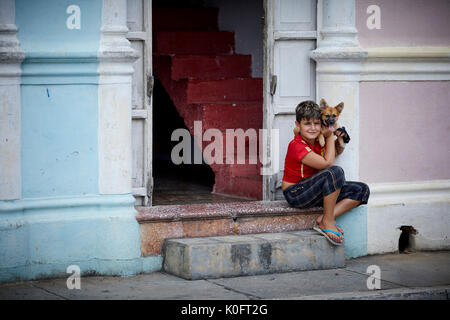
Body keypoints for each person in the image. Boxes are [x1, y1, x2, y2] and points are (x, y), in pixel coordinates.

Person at [282, 100, 370, 245]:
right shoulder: (296, 145)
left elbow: (333, 153)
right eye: (307, 124)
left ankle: (324, 218)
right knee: (334, 172)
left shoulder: (317, 141)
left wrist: (338, 137)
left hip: (314, 191)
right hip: (296, 193)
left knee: (361, 190)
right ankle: (328, 222)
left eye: (316, 124)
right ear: (298, 125)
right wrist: (329, 136)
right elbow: (327, 164)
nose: (312, 128)